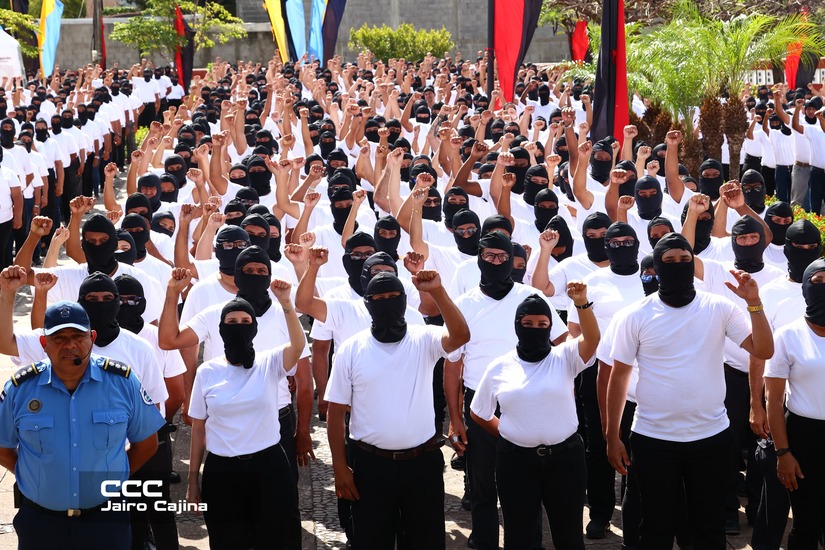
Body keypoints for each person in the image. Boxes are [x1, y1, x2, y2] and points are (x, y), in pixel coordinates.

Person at [606, 233, 774, 549]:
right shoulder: (635, 315)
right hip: (653, 438)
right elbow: (619, 377)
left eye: (685, 260)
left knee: (708, 528)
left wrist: (754, 302)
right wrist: (612, 435)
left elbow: (763, 349)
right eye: (669, 261)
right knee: (654, 528)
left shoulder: (720, 308)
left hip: (710, 437)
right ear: (656, 267)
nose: (679, 266)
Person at [0, 266, 165, 550]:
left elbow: (147, 443)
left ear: (92, 337)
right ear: (44, 343)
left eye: (78, 337)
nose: (70, 346)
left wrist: (114, 475)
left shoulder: (122, 382)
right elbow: (3, 447)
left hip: (105, 523)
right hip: (41, 524)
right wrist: (39, 475)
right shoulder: (19, 389)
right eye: (59, 338)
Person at [325, 271, 470, 548]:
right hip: (370, 466)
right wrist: (340, 468)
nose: (386, 303)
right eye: (378, 299)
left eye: (393, 297)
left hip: (422, 463)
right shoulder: (351, 349)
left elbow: (460, 335)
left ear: (404, 301)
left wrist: (438, 292)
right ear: (367, 304)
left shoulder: (424, 338)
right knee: (371, 541)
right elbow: (335, 412)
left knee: (425, 541)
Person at [470, 286, 598, 549]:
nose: (535, 328)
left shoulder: (565, 356)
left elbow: (592, 340)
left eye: (543, 324)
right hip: (515, 461)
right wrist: (509, 431)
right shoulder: (499, 366)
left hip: (565, 460)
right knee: (519, 536)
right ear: (517, 326)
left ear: (550, 327)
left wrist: (582, 304)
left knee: (569, 535)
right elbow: (479, 411)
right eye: (528, 323)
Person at [187, 279, 305, 550]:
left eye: (244, 320)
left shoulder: (269, 362)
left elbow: (297, 346)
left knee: (277, 540)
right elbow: (198, 427)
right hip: (222, 472)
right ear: (220, 329)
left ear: (254, 327)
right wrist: (193, 479)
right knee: (227, 542)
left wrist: (286, 302)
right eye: (231, 322)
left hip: (269, 468)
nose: (238, 326)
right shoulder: (207, 371)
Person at [765, 258, 825, 549]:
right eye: (819, 281)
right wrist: (783, 453)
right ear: (805, 288)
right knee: (806, 523)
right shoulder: (788, 335)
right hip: (805, 437)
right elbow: (774, 401)